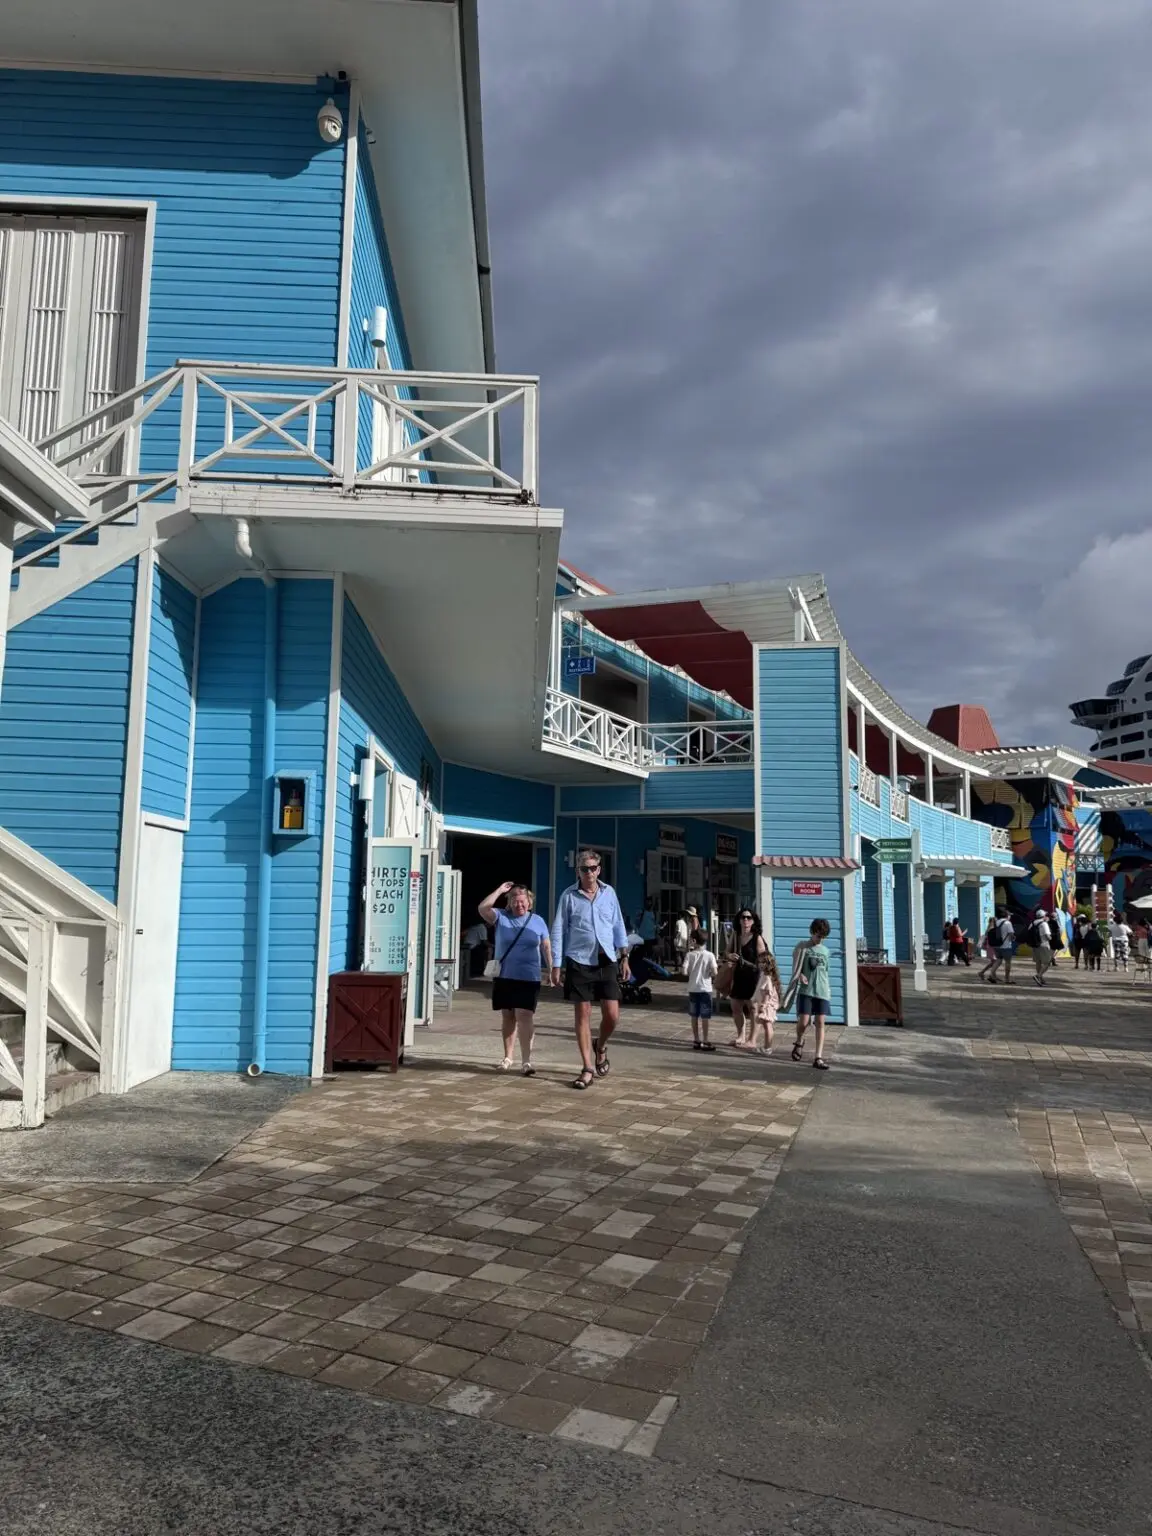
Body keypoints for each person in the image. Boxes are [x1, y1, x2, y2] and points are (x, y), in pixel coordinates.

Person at [550, 850, 630, 1090]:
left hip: (606, 959)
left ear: (599, 870)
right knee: (582, 1013)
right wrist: (556, 964)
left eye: (593, 868)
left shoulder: (609, 893)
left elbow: (618, 925)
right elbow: (558, 929)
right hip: (579, 959)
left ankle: (601, 1045)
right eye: (584, 869)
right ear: (578, 871)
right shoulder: (569, 895)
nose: (589, 873)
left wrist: (624, 956)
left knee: (612, 1015)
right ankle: (587, 1068)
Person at [478, 882, 551, 1076]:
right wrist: (499, 890)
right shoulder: (501, 917)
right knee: (508, 1016)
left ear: (529, 902)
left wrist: (552, 969)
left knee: (524, 1015)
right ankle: (508, 1057)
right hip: (505, 975)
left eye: (523, 901)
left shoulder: (538, 921)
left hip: (529, 977)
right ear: (509, 903)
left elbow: (546, 946)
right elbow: (483, 908)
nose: (520, 905)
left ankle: (526, 1061)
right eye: (515, 901)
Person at [790, 917, 832, 1070]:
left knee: (820, 1022)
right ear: (812, 932)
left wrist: (828, 990)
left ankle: (818, 1057)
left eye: (823, 937)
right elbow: (796, 968)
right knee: (804, 1022)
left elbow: (825, 971)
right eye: (818, 936)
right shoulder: (803, 947)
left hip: (822, 991)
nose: (820, 939)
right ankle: (799, 1040)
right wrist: (800, 976)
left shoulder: (825, 951)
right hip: (806, 991)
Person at [727, 908, 769, 1047]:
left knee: (753, 1008)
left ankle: (752, 1040)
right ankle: (741, 1036)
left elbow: (764, 959)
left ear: (753, 921)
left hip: (753, 976)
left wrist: (765, 978)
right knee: (735, 1006)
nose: (745, 920)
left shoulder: (757, 938)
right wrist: (729, 956)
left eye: (749, 917)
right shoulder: (736, 935)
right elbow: (726, 952)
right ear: (739, 920)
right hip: (739, 975)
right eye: (743, 917)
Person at [684, 928, 718, 1051]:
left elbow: (684, 971)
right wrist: (709, 973)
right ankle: (706, 1040)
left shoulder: (689, 955)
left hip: (693, 988)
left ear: (694, 941)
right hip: (705, 989)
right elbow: (715, 972)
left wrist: (691, 972)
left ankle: (696, 1039)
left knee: (694, 1015)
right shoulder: (710, 955)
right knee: (705, 1016)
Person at [749, 948, 783, 1055]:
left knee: (767, 1025)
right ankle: (767, 1047)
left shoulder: (767, 977)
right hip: (766, 1004)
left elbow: (767, 992)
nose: (760, 964)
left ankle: (768, 1047)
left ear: (769, 964)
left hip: (767, 1005)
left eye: (763, 962)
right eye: (759, 962)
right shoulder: (764, 975)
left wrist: (763, 1005)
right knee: (766, 1025)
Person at [979, 907, 1016, 983]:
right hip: (1006, 946)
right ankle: (1007, 979)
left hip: (996, 946)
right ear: (1005, 914)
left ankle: (991, 974)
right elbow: (1011, 935)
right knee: (1008, 962)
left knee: (998, 960)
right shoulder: (1008, 923)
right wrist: (1013, 938)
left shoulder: (996, 922)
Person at [1028, 909, 1053, 986]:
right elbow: (1047, 935)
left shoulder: (1032, 923)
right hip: (1044, 945)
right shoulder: (1044, 924)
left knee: (1038, 962)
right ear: (1043, 916)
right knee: (1047, 963)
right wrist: (1051, 938)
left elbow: (1028, 932)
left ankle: (1040, 979)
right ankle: (1038, 976)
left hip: (1035, 945)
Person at [673, 910, 690, 974]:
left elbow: (678, 931)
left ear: (680, 915)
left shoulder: (678, 922)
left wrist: (675, 938)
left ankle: (677, 968)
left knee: (677, 954)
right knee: (683, 955)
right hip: (684, 941)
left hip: (679, 940)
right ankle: (684, 968)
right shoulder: (685, 923)